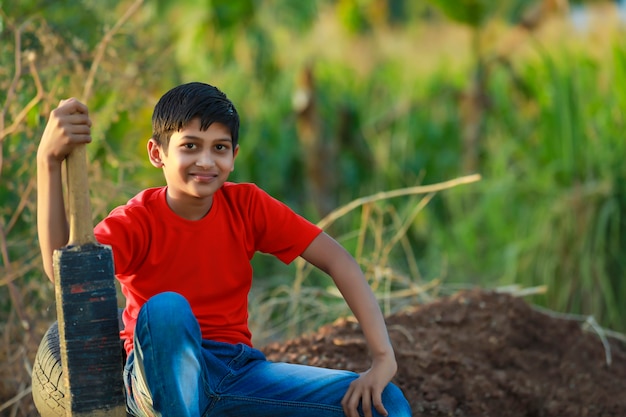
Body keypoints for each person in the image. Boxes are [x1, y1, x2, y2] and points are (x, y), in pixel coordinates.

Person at [36, 82, 412, 417]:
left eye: (219, 148)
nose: (206, 161)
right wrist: (48, 162)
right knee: (167, 309)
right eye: (190, 146)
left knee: (387, 404)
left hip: (237, 373)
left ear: (233, 155)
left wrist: (382, 359)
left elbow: (339, 260)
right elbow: (66, 276)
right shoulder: (135, 221)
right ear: (157, 153)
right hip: (159, 377)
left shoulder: (246, 206)